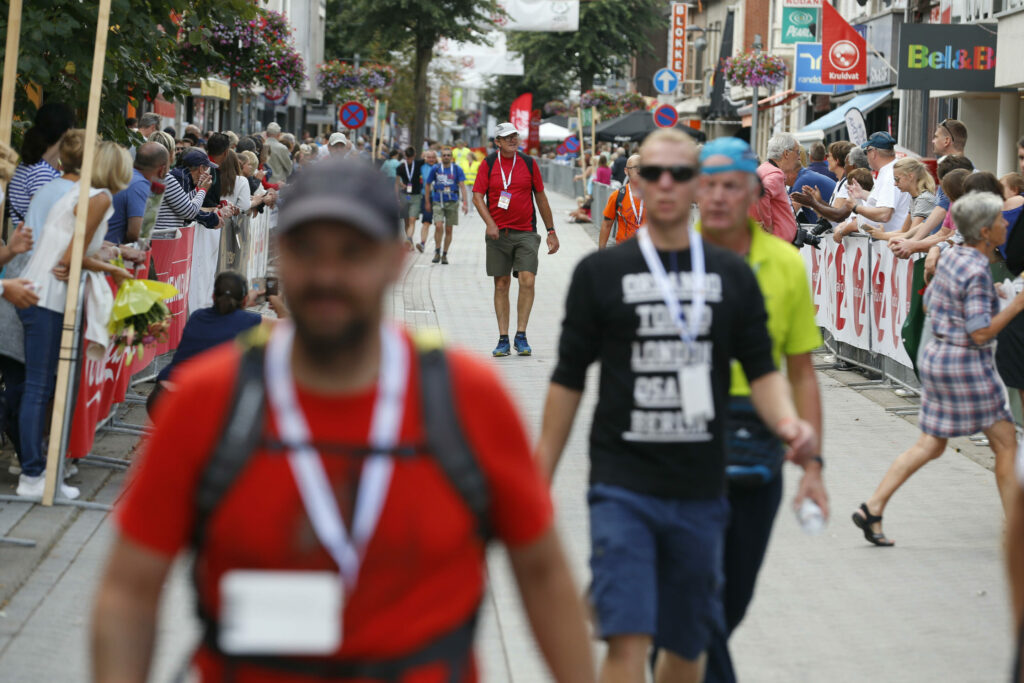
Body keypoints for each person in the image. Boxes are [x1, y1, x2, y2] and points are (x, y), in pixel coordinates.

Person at [91, 157, 595, 683]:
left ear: (397, 260)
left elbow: (543, 576)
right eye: (307, 250)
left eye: (353, 253)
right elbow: (130, 588)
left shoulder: (467, 400)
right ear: (281, 254)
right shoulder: (209, 401)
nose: (328, 274)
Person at [536, 129, 816, 683]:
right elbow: (568, 380)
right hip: (622, 483)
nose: (666, 184)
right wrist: (535, 476)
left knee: (686, 648)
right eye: (654, 173)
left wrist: (788, 423)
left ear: (696, 187)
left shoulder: (730, 274)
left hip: (701, 486)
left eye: (680, 174)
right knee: (628, 636)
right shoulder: (601, 274)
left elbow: (764, 371)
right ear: (636, 179)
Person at [694, 137, 828, 683]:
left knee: (729, 604)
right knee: (691, 602)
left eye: (734, 185)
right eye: (710, 185)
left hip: (757, 446)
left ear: (755, 189)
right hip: (683, 446)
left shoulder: (782, 263)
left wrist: (814, 465)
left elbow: (800, 370)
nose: (721, 197)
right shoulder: (671, 254)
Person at [853, 192, 1024, 546]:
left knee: (931, 444)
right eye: (999, 220)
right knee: (1007, 444)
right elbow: (980, 331)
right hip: (967, 364)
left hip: (940, 358)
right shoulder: (976, 267)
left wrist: (991, 297)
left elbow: (931, 302)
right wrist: (1016, 303)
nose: (1006, 223)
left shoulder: (953, 257)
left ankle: (873, 507)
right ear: (984, 230)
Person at [17, 142, 134, 500]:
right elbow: (71, 259)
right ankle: (34, 473)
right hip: (49, 296)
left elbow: (70, 253)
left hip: (38, 290)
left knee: (43, 385)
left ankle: (37, 470)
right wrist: (112, 267)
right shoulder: (98, 198)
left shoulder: (80, 194)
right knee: (42, 387)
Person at [472, 123, 558, 357]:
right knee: (501, 284)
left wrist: (551, 230)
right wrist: (489, 223)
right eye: (506, 137)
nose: (512, 139)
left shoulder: (529, 163)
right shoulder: (488, 163)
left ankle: (521, 335)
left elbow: (540, 197)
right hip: (498, 234)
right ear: (497, 142)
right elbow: (477, 196)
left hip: (526, 233)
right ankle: (503, 339)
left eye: (514, 136)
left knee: (527, 281)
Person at [147, 271, 267, 415]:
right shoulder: (251, 321)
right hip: (193, 404)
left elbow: (230, 318)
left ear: (213, 296)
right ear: (245, 299)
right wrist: (279, 304)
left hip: (161, 397)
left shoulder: (197, 316)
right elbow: (290, 330)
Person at [8, 102, 75, 225]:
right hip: (36, 243)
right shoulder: (41, 172)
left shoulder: (32, 165)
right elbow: (42, 222)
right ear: (67, 132)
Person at [848, 131, 911, 235]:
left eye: (866, 152)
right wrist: (862, 194)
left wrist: (855, 207)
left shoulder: (890, 174)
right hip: (890, 242)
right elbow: (882, 199)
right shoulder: (888, 170)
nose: (866, 156)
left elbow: (884, 214)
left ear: (873, 152)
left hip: (892, 244)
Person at [106, 142, 168, 244]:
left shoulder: (125, 176)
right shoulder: (140, 185)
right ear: (162, 169)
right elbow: (137, 233)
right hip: (111, 254)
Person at [864, 157, 936, 242]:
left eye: (897, 179)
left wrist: (882, 235)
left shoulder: (924, 199)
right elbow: (904, 231)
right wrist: (882, 234)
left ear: (910, 176)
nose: (895, 184)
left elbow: (912, 236)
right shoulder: (915, 198)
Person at [423, 146, 468, 264]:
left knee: (449, 229)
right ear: (441, 157)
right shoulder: (436, 168)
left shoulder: (457, 169)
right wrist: (427, 201)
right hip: (438, 200)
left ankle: (444, 254)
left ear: (452, 157)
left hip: (452, 201)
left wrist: (465, 203)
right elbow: (428, 184)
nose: (446, 157)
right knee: (438, 226)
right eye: (444, 155)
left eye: (448, 155)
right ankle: (437, 250)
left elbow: (462, 186)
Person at [753, 134, 800, 243]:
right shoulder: (775, 174)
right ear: (786, 153)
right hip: (776, 243)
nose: (798, 158)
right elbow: (762, 192)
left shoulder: (762, 169)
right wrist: (767, 224)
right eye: (797, 152)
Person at [599, 154, 644, 248]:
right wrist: (601, 251)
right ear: (626, 171)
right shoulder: (618, 196)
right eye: (636, 167)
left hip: (649, 252)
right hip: (624, 251)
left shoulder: (655, 195)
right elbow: (607, 224)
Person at [785, 158, 835, 225]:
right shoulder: (803, 176)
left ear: (789, 174)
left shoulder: (802, 181)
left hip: (833, 224)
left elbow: (788, 215)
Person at [395, 146, 426, 251]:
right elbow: (397, 182)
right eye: (407, 158)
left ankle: (408, 239)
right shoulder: (400, 167)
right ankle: (410, 242)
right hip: (405, 195)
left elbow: (433, 159)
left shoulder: (418, 164)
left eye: (410, 157)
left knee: (412, 220)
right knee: (407, 221)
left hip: (415, 196)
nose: (409, 159)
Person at [415, 149, 439, 253]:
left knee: (438, 224)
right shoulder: (421, 168)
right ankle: (423, 243)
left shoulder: (440, 167)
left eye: (433, 157)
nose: (431, 159)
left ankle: (437, 247)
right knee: (426, 221)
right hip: (426, 197)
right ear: (425, 158)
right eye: (429, 157)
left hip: (439, 197)